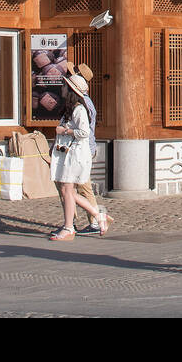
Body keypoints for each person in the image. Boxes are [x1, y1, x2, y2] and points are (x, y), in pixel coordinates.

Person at [48, 72, 113, 241]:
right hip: (69, 153)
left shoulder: (79, 108)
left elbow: (84, 132)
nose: (62, 89)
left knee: (71, 190)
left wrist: (65, 131)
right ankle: (94, 217)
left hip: (76, 154)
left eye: (65, 86)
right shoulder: (71, 108)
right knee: (67, 190)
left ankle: (72, 226)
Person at [68, 63, 106, 234]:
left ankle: (96, 219)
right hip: (81, 148)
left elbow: (83, 131)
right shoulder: (81, 102)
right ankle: (71, 221)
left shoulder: (82, 104)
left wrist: (66, 131)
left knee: (82, 187)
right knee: (72, 186)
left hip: (82, 149)